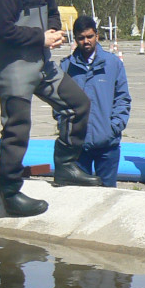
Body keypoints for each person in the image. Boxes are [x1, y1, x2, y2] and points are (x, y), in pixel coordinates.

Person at [0, 0, 100, 218]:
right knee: (17, 130)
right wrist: (40, 38)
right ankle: (9, 193)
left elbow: (52, 12)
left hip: (43, 64)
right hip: (14, 68)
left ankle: (66, 166)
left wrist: (54, 30)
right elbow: (4, 30)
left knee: (78, 104)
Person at [59, 15, 131, 187]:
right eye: (81, 38)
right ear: (75, 39)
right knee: (80, 196)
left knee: (107, 194)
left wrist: (114, 127)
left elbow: (123, 98)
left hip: (107, 144)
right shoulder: (66, 67)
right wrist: (66, 126)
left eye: (89, 36)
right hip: (78, 145)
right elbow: (58, 102)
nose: (86, 41)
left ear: (97, 36)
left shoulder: (113, 64)